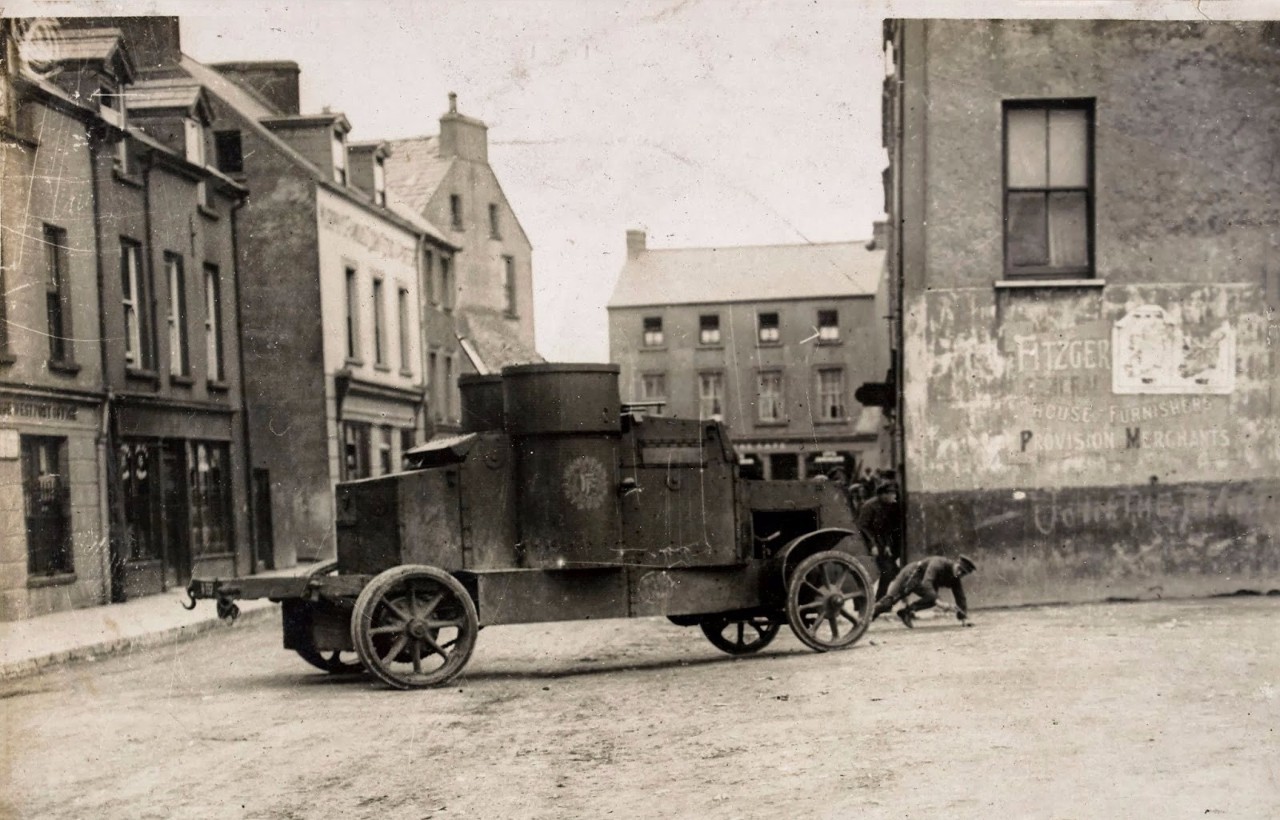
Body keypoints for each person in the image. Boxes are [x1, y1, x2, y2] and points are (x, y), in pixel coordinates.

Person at [872, 554, 977, 628]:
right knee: (889, 601)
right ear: (956, 563)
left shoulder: (955, 578)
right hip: (911, 574)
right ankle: (868, 616)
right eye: (959, 569)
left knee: (931, 599)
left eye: (963, 573)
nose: (959, 573)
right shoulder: (938, 563)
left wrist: (963, 618)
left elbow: (960, 596)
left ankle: (906, 612)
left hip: (921, 582)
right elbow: (926, 583)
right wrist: (939, 602)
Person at [856, 481, 903, 597]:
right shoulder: (869, 506)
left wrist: (887, 545)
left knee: (889, 572)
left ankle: (880, 599)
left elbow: (886, 528)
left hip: (880, 544)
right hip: (865, 544)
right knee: (870, 573)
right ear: (883, 494)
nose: (894, 496)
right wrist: (872, 545)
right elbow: (862, 527)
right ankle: (867, 599)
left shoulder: (887, 506)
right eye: (892, 493)